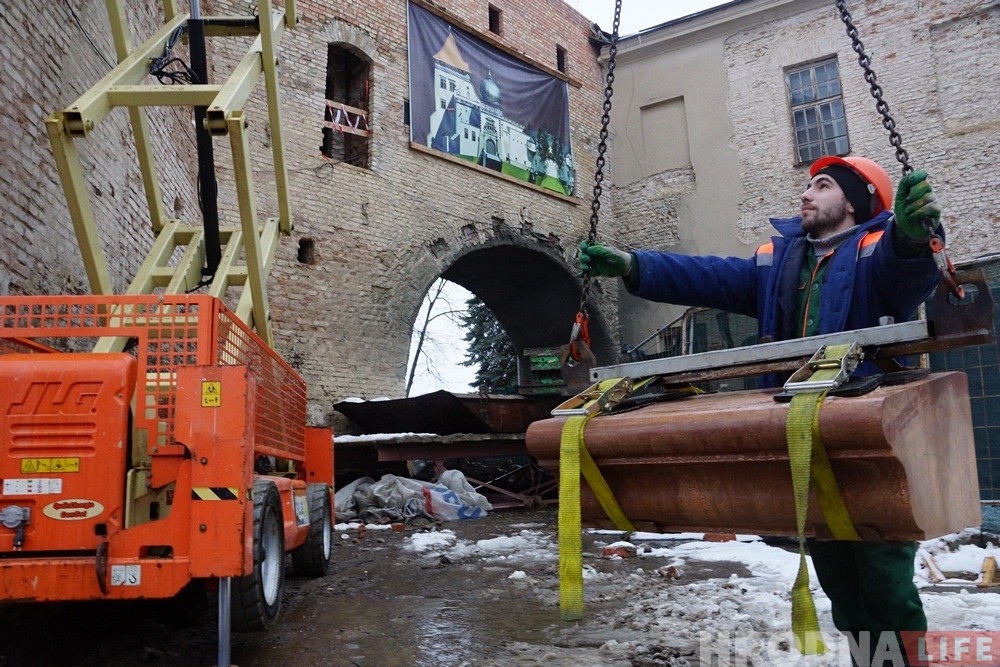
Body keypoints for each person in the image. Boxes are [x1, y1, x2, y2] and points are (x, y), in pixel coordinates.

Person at [578, 155, 943, 665]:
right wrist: (635, 265)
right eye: (808, 184)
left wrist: (910, 237)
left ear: (855, 201)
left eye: (822, 186)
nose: (806, 194)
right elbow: (708, 278)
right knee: (840, 582)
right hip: (805, 436)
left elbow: (908, 273)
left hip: (866, 441)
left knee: (884, 577)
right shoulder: (779, 264)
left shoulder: (875, 253)